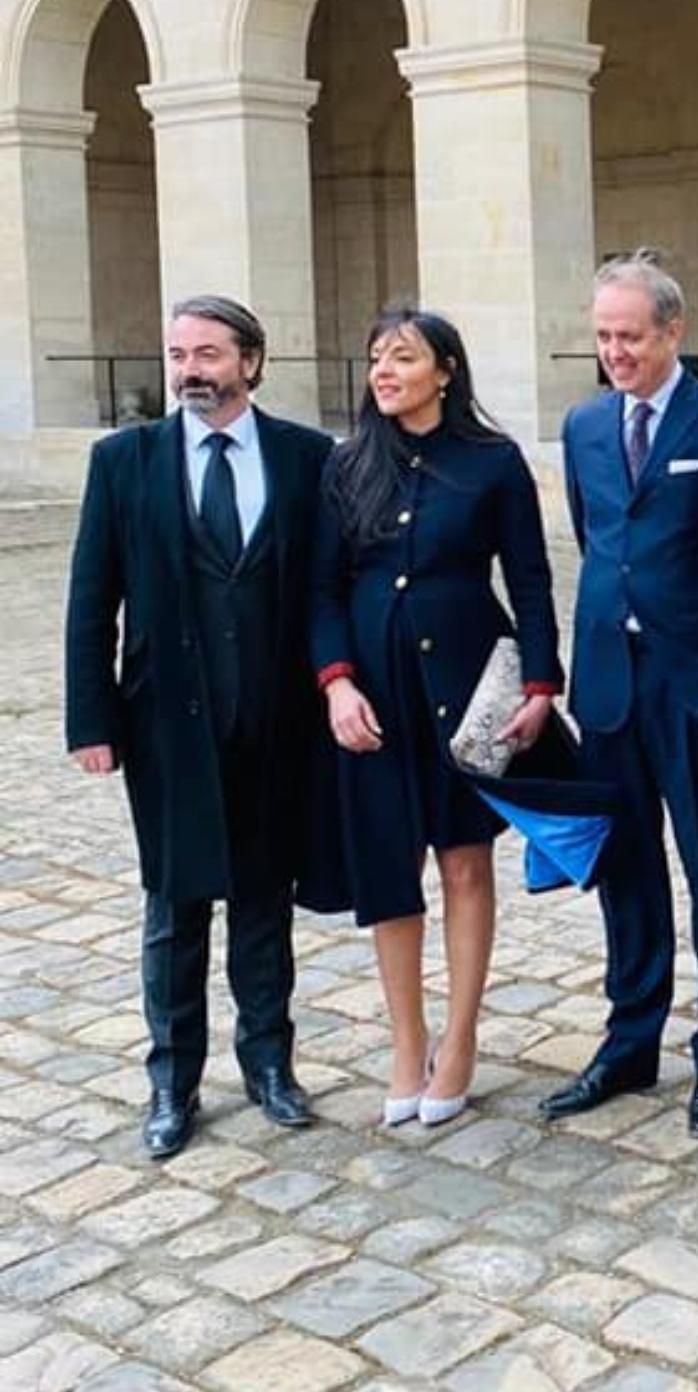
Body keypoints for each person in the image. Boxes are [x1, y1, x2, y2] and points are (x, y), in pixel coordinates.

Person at [65, 295, 329, 1159]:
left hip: (275, 718)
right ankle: (172, 1085)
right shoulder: (124, 463)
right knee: (176, 910)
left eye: (209, 354)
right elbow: (90, 598)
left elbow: (323, 588)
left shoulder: (304, 459)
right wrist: (90, 718)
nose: (190, 371)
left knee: (264, 902)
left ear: (252, 362)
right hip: (166, 725)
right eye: (179, 354)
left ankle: (269, 1068)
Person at [310, 306, 561, 1128]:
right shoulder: (347, 468)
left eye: (403, 358)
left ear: (445, 371)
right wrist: (337, 685)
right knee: (390, 868)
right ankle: (404, 1038)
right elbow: (322, 592)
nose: (384, 371)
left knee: (463, 860)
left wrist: (539, 685)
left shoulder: (492, 462)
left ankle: (459, 1037)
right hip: (374, 697)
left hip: (464, 687)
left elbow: (529, 579)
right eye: (376, 357)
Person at [539, 253, 698, 1139]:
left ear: (673, 330)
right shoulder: (585, 427)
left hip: (697, 688)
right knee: (624, 875)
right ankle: (631, 1042)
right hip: (609, 687)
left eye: (630, 336)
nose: (615, 353)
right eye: (603, 337)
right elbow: (598, 535)